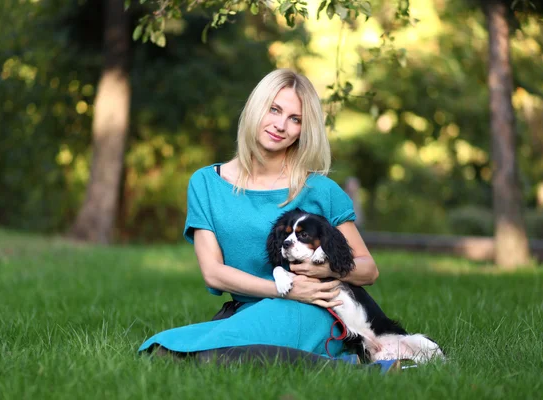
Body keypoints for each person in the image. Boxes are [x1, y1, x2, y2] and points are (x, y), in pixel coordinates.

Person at [138, 69, 379, 363]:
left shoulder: (321, 189)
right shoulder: (206, 184)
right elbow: (213, 272)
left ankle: (356, 368)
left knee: (193, 355)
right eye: (274, 109)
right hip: (253, 309)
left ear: (304, 129)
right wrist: (286, 290)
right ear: (256, 108)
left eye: (295, 119)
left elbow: (368, 269)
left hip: (315, 309)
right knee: (159, 348)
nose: (280, 125)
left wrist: (321, 271)